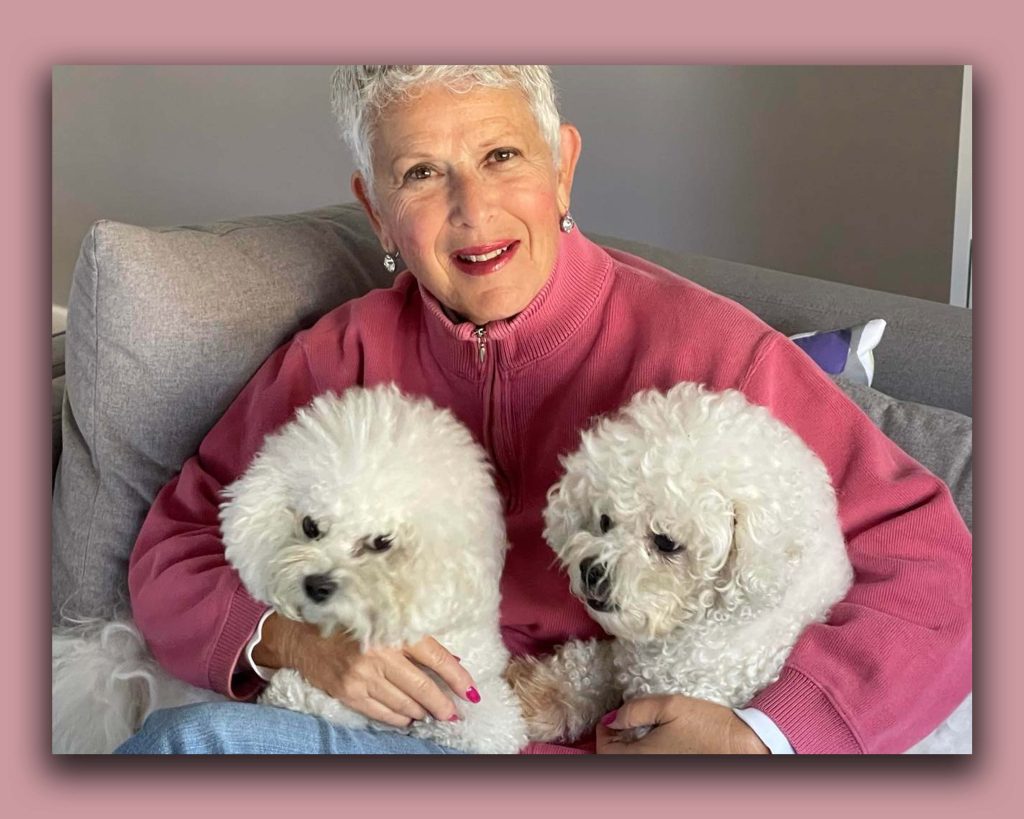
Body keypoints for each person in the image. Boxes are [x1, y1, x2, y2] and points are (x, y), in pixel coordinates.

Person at [115, 65, 971, 755]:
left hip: (624, 745)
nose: (472, 213)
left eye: (501, 157)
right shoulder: (336, 361)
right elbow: (174, 546)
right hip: (406, 735)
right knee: (183, 744)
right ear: (376, 208)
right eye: (421, 174)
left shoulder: (712, 353)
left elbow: (940, 567)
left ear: (562, 164)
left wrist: (769, 736)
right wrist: (299, 643)